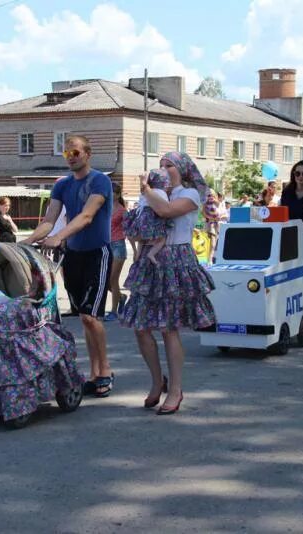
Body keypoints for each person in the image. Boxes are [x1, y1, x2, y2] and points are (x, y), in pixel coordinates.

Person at [121, 151, 215, 415]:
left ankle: (175, 389)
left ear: (183, 169)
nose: (163, 169)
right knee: (141, 327)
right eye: (160, 165)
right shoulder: (155, 193)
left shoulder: (190, 194)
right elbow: (139, 224)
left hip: (175, 262)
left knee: (168, 328)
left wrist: (145, 190)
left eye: (169, 165)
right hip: (150, 263)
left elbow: (165, 212)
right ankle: (156, 381)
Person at [21, 134, 115, 398]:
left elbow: (86, 216)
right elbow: (49, 221)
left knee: (90, 315)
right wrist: (26, 242)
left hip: (98, 253)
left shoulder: (100, 180)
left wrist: (60, 237)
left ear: (87, 153)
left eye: (75, 152)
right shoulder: (62, 185)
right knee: (85, 319)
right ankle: (95, 373)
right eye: (66, 153)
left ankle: (105, 370)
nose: (71, 157)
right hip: (74, 255)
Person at [124, 169, 172, 266]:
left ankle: (138, 253)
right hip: (153, 217)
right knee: (162, 238)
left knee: (142, 239)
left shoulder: (145, 191)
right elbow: (166, 207)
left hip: (142, 217)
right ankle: (151, 254)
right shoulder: (161, 193)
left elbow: (140, 202)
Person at [104, 182, 128, 322]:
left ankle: (114, 312)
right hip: (105, 245)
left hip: (118, 246)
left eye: (113, 191)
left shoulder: (122, 211)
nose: (110, 193)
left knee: (113, 279)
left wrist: (136, 249)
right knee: (105, 281)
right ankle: (121, 298)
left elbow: (129, 230)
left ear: (118, 194)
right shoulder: (104, 208)